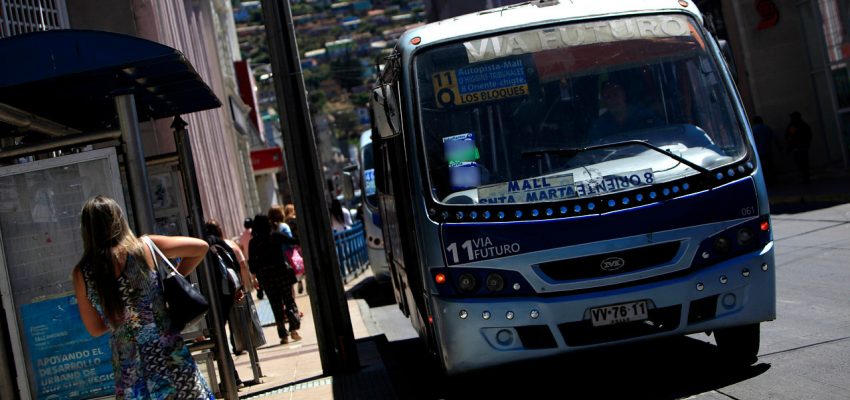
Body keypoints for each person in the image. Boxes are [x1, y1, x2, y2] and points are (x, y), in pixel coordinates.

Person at [72, 195, 214, 399]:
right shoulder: (146, 247)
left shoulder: (83, 273)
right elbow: (200, 247)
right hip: (170, 356)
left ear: (87, 230)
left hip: (130, 369)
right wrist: (175, 278)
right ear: (119, 220)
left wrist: (121, 321)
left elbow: (95, 329)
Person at [248, 214, 302, 344]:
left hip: (266, 277)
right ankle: (294, 330)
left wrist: (255, 277)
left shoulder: (253, 242)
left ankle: (283, 335)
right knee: (289, 301)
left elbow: (252, 264)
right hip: (281, 272)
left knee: (275, 305)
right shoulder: (275, 236)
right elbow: (294, 241)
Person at [204, 220, 250, 366]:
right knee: (231, 322)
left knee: (218, 331)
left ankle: (229, 369)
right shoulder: (225, 244)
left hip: (210, 295)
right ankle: (236, 346)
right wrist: (241, 286)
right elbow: (239, 264)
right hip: (228, 292)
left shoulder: (203, 247)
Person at [589, 80, 662, 142]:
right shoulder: (599, 126)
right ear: (604, 102)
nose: (613, 100)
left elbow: (662, 136)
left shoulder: (645, 116)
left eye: (616, 95)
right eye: (608, 97)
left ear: (624, 96)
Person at [785, 111, 813, 183]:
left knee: (802, 162)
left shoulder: (796, 125)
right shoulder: (800, 125)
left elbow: (789, 137)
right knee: (802, 162)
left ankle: (805, 176)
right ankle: (805, 176)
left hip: (800, 148)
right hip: (800, 148)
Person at [751, 115, 780, 180]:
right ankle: (772, 178)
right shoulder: (767, 127)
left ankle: (767, 179)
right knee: (770, 165)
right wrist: (779, 146)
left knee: (763, 166)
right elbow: (774, 138)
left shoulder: (753, 129)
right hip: (768, 150)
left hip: (759, 152)